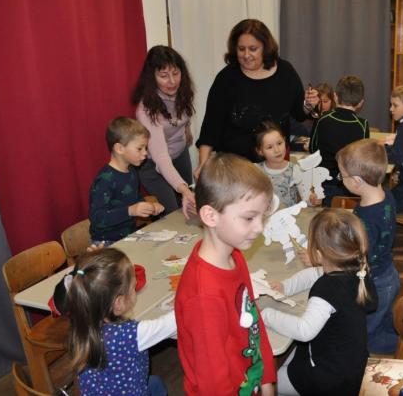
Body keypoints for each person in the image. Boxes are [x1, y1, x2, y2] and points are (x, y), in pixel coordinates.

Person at [174, 153, 277, 396]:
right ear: (211, 216)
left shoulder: (234, 255)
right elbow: (213, 381)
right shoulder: (204, 297)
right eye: (249, 217)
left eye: (263, 216)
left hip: (247, 382)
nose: (260, 227)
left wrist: (267, 380)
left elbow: (253, 321)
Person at [261, 209, 378, 396]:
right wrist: (285, 287)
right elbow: (313, 274)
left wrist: (266, 315)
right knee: (291, 352)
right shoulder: (358, 270)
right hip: (350, 365)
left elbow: (304, 331)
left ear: (317, 253)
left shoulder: (328, 288)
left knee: (270, 378)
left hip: (330, 381)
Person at [195, 19, 320, 171]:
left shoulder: (285, 72)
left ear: (265, 48)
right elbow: (211, 126)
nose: (246, 55)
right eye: (241, 49)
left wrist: (308, 105)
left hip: (276, 163)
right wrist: (202, 164)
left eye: (253, 49)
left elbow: (299, 114)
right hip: (236, 166)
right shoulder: (226, 78)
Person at [64, 248, 176, 396]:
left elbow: (75, 281)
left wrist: (97, 267)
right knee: (156, 385)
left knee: (154, 383)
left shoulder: (82, 318)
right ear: (118, 302)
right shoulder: (129, 335)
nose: (135, 289)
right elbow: (174, 321)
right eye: (133, 287)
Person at [336, 139, 400, 354]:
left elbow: (359, 257)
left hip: (375, 284)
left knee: (366, 335)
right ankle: (402, 337)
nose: (340, 179)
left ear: (356, 181)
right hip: (388, 274)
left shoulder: (366, 218)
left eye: (341, 176)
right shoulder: (384, 195)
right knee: (382, 322)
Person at [132, 45, 196, 219]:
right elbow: (161, 157)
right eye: (164, 76)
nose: (172, 81)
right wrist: (183, 189)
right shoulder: (146, 110)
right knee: (173, 213)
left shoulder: (183, 93)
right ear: (152, 78)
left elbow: (182, 120)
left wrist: (186, 134)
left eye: (176, 73)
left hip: (179, 154)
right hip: (154, 165)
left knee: (190, 209)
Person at [89, 117, 165, 247]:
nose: (145, 153)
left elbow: (135, 199)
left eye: (145, 148)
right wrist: (130, 211)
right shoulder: (104, 180)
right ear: (119, 148)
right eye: (140, 148)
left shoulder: (132, 172)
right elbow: (97, 219)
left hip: (129, 237)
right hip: (106, 244)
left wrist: (150, 207)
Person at [309, 75, 370, 206]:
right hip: (352, 187)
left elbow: (312, 149)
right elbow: (364, 159)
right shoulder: (363, 125)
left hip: (324, 184)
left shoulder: (322, 119)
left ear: (335, 97)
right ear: (361, 103)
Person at [254, 120, 320, 208]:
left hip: (288, 220)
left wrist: (312, 200)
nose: (277, 150)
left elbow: (306, 199)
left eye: (279, 143)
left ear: (285, 141)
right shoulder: (254, 170)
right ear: (260, 151)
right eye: (269, 147)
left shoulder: (295, 169)